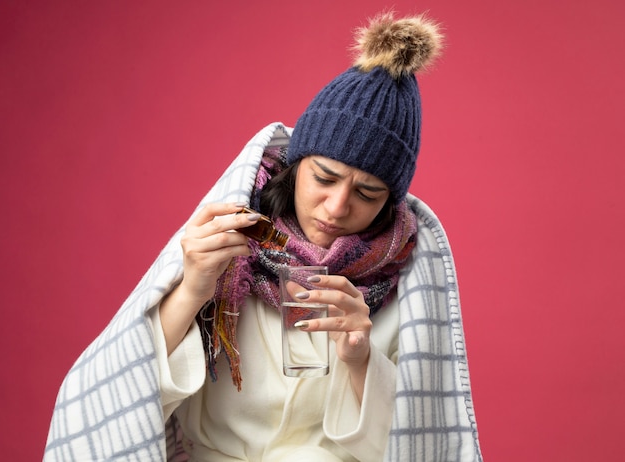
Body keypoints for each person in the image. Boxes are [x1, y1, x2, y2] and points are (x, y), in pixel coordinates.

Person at [44, 12, 482, 462]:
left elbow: (411, 447)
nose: (337, 207)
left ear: (389, 202)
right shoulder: (227, 249)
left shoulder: (401, 281)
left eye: (367, 193)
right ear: (295, 166)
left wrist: (360, 360)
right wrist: (191, 291)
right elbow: (128, 405)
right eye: (324, 178)